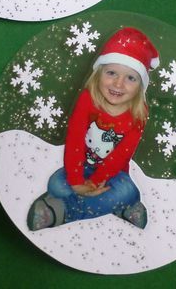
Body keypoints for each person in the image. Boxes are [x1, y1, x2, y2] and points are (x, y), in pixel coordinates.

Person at [27, 27, 159, 231]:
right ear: (99, 74)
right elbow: (75, 139)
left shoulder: (139, 113)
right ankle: (120, 208)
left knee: (128, 190)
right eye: (112, 73)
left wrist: (97, 182)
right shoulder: (88, 99)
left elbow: (122, 155)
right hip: (82, 166)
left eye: (130, 78)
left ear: (141, 85)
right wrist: (77, 181)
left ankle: (60, 212)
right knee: (56, 184)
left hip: (112, 175)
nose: (118, 83)